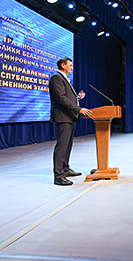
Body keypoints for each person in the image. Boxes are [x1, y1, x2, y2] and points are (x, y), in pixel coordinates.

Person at [49, 57, 92, 186]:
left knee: (68, 145)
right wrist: (79, 109)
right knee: (62, 146)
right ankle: (58, 175)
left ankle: (65, 169)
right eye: (70, 65)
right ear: (63, 65)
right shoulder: (56, 78)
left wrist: (77, 98)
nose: (72, 67)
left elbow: (66, 97)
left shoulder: (63, 78)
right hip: (63, 117)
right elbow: (61, 98)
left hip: (69, 116)